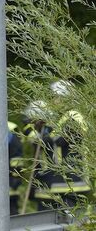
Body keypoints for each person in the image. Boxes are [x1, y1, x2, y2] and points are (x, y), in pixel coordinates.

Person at [23, 84, 90, 212]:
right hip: (52, 183)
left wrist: (43, 133)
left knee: (72, 226)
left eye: (55, 96)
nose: (53, 100)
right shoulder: (56, 119)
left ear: (65, 98)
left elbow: (60, 140)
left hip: (71, 182)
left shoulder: (74, 116)